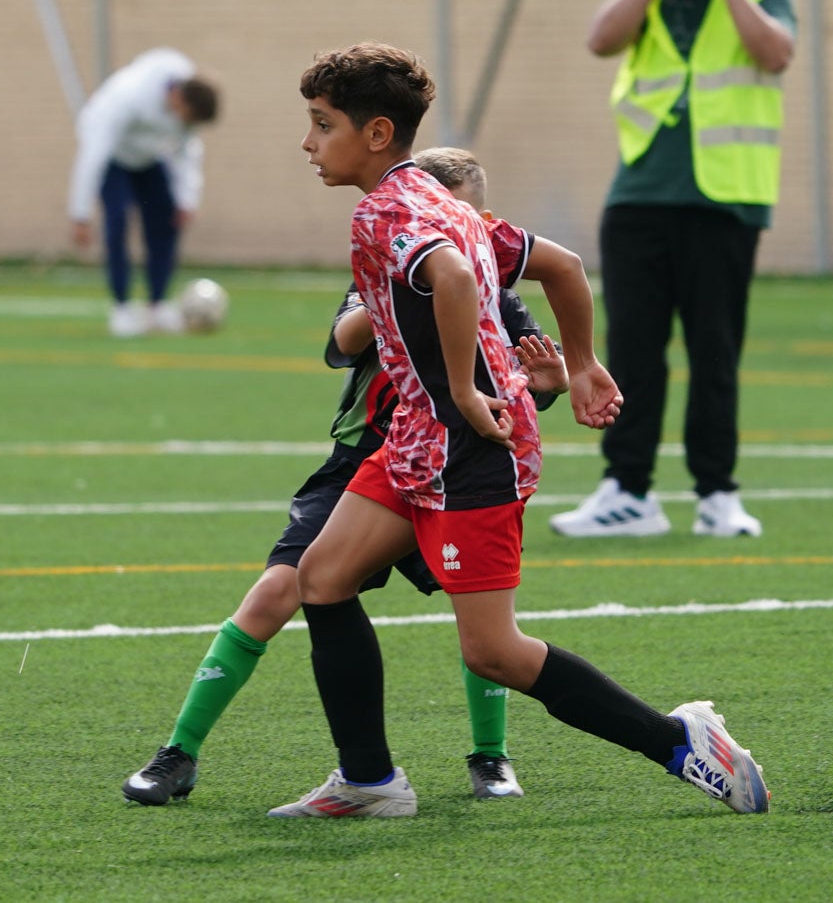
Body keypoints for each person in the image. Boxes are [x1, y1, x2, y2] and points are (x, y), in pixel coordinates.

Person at [270, 42, 769, 819]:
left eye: (320, 124)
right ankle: (369, 781)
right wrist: (583, 365)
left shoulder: (387, 211)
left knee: (492, 653)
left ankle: (678, 742)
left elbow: (458, 280)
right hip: (415, 443)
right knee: (322, 580)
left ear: (375, 134)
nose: (307, 142)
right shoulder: (446, 204)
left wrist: (468, 392)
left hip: (472, 451)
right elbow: (564, 266)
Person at [122, 147, 566, 806]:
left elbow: (522, 391)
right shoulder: (384, 267)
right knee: (277, 593)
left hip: (456, 469)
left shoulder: (499, 299)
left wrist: (551, 384)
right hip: (363, 467)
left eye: (469, 223)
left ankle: (490, 758)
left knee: (482, 623)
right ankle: (177, 753)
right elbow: (345, 341)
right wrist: (407, 279)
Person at [552, 0, 795, 540]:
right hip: (639, 196)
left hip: (725, 201)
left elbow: (776, 54)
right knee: (631, 351)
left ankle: (717, 493)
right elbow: (601, 39)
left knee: (713, 351)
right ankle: (626, 490)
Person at [66, 48, 220, 338]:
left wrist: (187, 200)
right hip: (113, 158)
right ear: (178, 99)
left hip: (148, 158)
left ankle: (157, 306)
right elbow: (94, 154)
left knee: (167, 221)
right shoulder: (128, 99)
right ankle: (121, 309)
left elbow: (188, 152)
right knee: (118, 221)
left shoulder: (185, 98)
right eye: (187, 118)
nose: (186, 126)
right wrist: (80, 214)